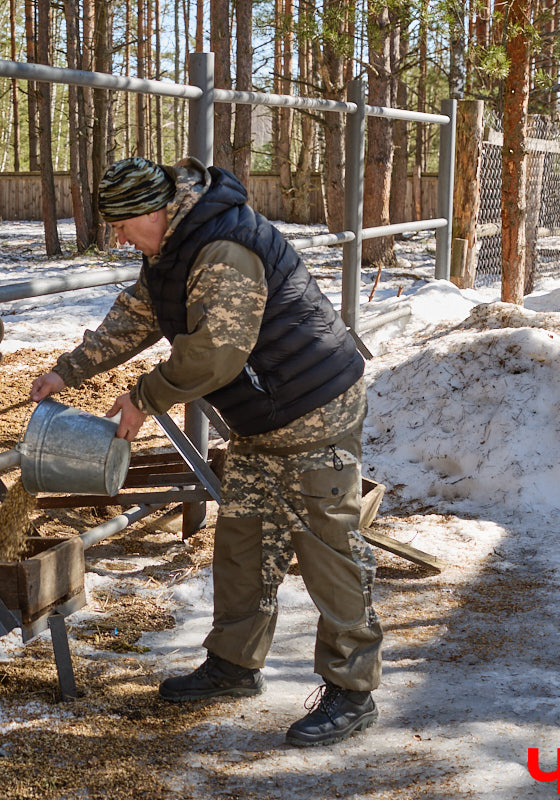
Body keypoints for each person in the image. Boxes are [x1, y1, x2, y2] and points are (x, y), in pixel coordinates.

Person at [29, 156, 383, 747]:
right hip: (262, 419)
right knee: (244, 541)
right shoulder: (172, 247)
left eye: (123, 226)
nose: (120, 238)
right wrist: (68, 371)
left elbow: (215, 354)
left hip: (313, 410)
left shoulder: (223, 251)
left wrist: (145, 397)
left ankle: (352, 690)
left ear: (154, 210)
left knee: (329, 549)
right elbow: (138, 314)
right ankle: (234, 664)